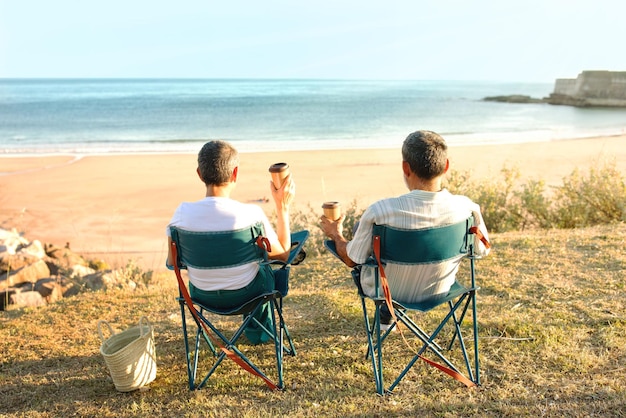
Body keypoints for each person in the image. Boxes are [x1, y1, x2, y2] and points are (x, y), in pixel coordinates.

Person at [320, 130, 490, 329]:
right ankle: (389, 313)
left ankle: (388, 311)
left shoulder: (381, 212)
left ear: (405, 168)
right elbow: (482, 250)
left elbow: (351, 259)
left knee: (363, 231)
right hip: (440, 289)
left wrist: (335, 234)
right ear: (446, 166)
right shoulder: (467, 208)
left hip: (387, 292)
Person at [166, 140, 294, 344]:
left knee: (256, 267)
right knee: (263, 267)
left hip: (201, 295)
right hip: (249, 295)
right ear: (235, 173)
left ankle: (255, 332)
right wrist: (282, 207)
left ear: (199, 174)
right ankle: (258, 333)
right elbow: (283, 255)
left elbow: (173, 263)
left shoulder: (181, 215)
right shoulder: (250, 215)